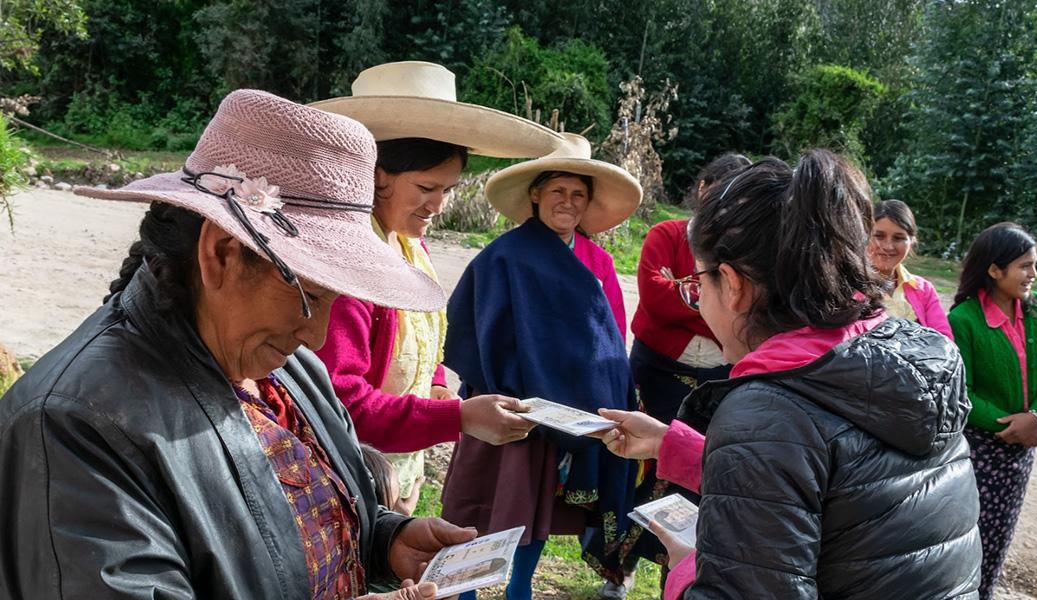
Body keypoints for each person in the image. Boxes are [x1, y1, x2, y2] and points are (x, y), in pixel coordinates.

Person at [0, 90, 479, 599]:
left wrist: (385, 539)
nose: (317, 335)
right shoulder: (73, 425)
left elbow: (291, 521)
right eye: (310, 296)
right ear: (223, 254)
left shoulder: (286, 368)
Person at [597, 151, 982, 599]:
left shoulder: (767, 411)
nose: (697, 299)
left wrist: (687, 573)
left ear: (734, 285)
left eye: (698, 284)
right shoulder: (906, 355)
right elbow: (838, 487)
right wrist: (675, 446)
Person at [311, 61, 558, 514]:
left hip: (396, 468)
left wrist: (436, 385)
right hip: (344, 479)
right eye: (427, 187)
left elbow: (422, 338)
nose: (439, 205)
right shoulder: (348, 261)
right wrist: (458, 417)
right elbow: (338, 401)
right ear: (377, 173)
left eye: (447, 189)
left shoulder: (409, 242)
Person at [439, 133, 643, 600]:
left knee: (536, 511)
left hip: (566, 413)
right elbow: (477, 327)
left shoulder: (597, 262)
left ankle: (520, 590)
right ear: (535, 194)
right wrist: (509, 395)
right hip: (510, 410)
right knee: (487, 503)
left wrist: (606, 394)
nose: (567, 203)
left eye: (578, 195)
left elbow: (607, 338)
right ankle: (465, 592)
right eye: (558, 192)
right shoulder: (505, 256)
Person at [622, 152, 748, 592]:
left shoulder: (742, 254)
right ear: (701, 189)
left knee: (693, 480)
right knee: (640, 469)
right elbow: (655, 300)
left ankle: (678, 572)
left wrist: (685, 295)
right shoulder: (667, 234)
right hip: (657, 372)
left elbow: (737, 311)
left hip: (715, 380)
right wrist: (709, 306)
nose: (725, 207)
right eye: (719, 193)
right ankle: (621, 566)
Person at [947, 222, 1037, 600]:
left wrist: (1033, 417)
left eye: (1034, 265)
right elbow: (959, 393)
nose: (1033, 274)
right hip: (978, 449)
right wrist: (1011, 424)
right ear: (994, 269)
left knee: (999, 537)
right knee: (966, 537)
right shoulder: (963, 320)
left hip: (1020, 447)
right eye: (1024, 266)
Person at [867, 199, 953, 338]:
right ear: (863, 236)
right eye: (879, 236)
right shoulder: (847, 288)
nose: (888, 246)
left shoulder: (923, 290)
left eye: (898, 238)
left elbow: (943, 340)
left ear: (911, 241)